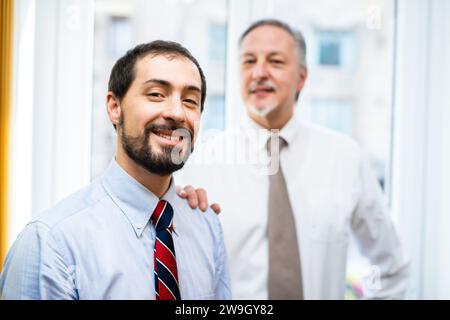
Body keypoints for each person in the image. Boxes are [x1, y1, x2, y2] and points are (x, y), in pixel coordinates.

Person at [177, 19, 410, 299]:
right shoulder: (200, 163)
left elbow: (391, 267)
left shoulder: (345, 158)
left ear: (302, 77)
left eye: (275, 61)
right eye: (249, 61)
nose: (259, 72)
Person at [0, 40, 230, 300]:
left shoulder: (207, 226)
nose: (177, 112)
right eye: (156, 94)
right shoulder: (52, 243)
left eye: (190, 100)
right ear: (114, 107)